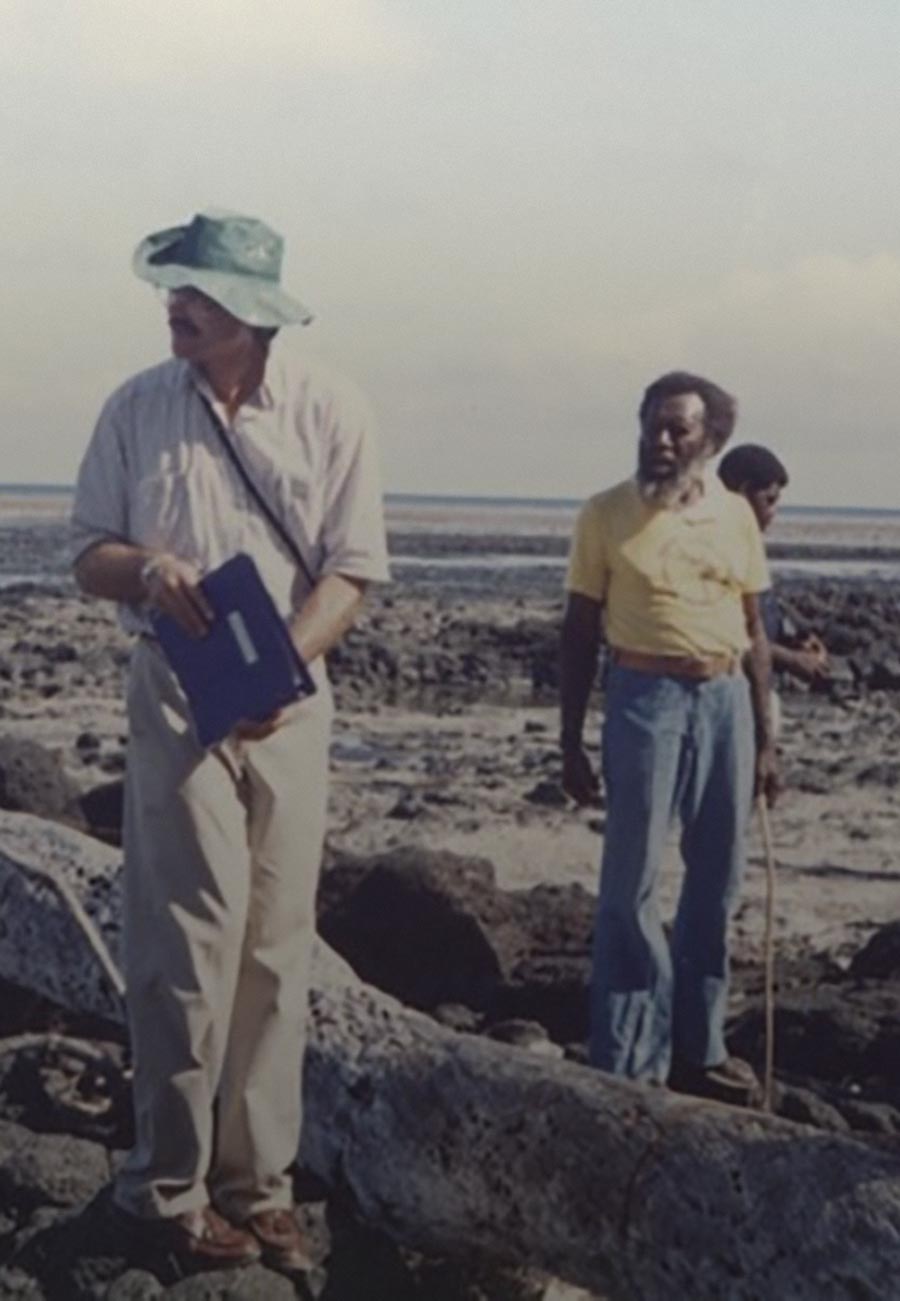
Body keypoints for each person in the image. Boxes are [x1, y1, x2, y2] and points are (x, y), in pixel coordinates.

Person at [71, 210, 390, 1271]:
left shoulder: (331, 409)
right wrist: (148, 570)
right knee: (181, 936)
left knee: (275, 942)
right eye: (173, 289)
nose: (176, 305)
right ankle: (165, 1186)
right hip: (172, 690)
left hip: (292, 699)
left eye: (196, 294)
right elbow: (87, 555)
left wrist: (284, 667)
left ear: (251, 314)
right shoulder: (136, 409)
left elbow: (352, 569)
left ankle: (261, 1184)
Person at [560, 371, 778, 1104]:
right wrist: (569, 740)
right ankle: (626, 1055)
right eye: (650, 425)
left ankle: (700, 1046)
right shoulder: (603, 514)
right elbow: (579, 631)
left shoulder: (737, 516)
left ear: (709, 441)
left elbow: (755, 631)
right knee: (631, 882)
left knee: (718, 878)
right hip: (642, 697)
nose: (658, 441)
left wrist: (768, 740)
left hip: (725, 701)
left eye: (676, 429)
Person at [718, 443, 829, 695]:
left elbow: (763, 609)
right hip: (730, 689)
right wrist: (792, 660)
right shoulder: (719, 550)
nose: (774, 512)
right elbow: (729, 636)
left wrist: (798, 637)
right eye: (769, 500)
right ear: (743, 493)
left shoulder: (747, 545)